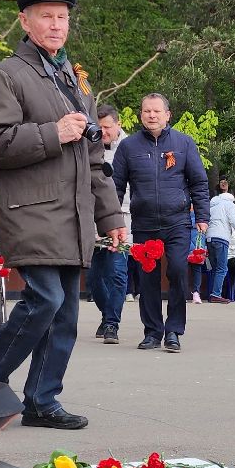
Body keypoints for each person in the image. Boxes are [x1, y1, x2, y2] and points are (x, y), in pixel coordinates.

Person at [0, 0, 126, 427]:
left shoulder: (76, 80)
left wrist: (111, 215)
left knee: (65, 313)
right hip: (31, 211)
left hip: (73, 215)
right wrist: (53, 132)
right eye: (46, 17)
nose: (56, 25)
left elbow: (95, 161)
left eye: (62, 17)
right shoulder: (6, 75)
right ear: (25, 21)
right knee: (45, 300)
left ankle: (41, 400)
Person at [113, 92, 209, 352]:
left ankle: (174, 331)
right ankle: (153, 332)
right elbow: (116, 186)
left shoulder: (184, 143)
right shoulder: (128, 147)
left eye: (157, 111)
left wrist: (202, 216)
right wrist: (112, 221)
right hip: (144, 223)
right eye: (147, 111)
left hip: (177, 221)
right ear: (141, 115)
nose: (152, 115)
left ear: (168, 115)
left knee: (177, 270)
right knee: (147, 279)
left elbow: (199, 182)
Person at [89, 105, 130, 342]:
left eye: (107, 127)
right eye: (99, 127)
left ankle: (112, 324)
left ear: (118, 124)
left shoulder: (130, 147)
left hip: (122, 220)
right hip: (95, 222)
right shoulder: (88, 145)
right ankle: (107, 315)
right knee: (94, 279)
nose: (103, 132)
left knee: (117, 274)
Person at [206, 177, 235, 303]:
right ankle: (216, 294)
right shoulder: (230, 205)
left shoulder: (212, 205)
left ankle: (212, 293)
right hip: (221, 237)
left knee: (215, 268)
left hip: (209, 238)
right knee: (222, 268)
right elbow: (234, 220)